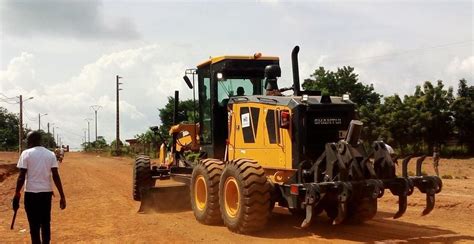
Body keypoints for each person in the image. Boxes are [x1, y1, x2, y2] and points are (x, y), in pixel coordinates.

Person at [12, 131, 66, 244]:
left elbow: (21, 176)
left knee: (34, 225)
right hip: (46, 194)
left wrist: (17, 194)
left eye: (27, 140)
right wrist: (62, 195)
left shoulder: (26, 153)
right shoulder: (50, 154)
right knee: (46, 222)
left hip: (31, 194)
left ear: (31, 140)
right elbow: (55, 175)